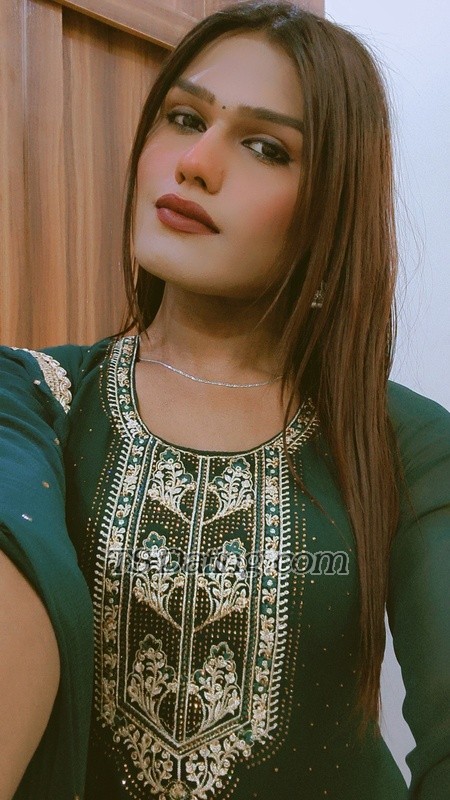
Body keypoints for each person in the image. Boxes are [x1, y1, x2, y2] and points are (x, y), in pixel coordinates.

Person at [0, 1, 449, 798]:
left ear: (332, 207)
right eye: (184, 118)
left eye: (266, 147)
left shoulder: (401, 441)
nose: (196, 162)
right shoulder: (35, 398)